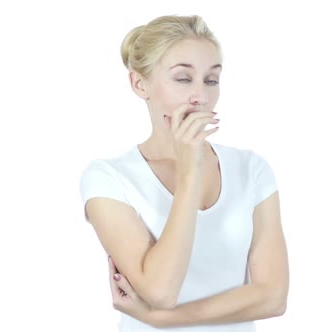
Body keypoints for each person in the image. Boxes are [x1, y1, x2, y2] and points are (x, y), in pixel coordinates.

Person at [79, 15, 289, 331]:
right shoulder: (109, 178)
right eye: (182, 78)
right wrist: (191, 173)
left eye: (211, 80)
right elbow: (161, 291)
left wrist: (164, 320)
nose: (200, 96)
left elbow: (273, 298)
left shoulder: (251, 169)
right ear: (140, 84)